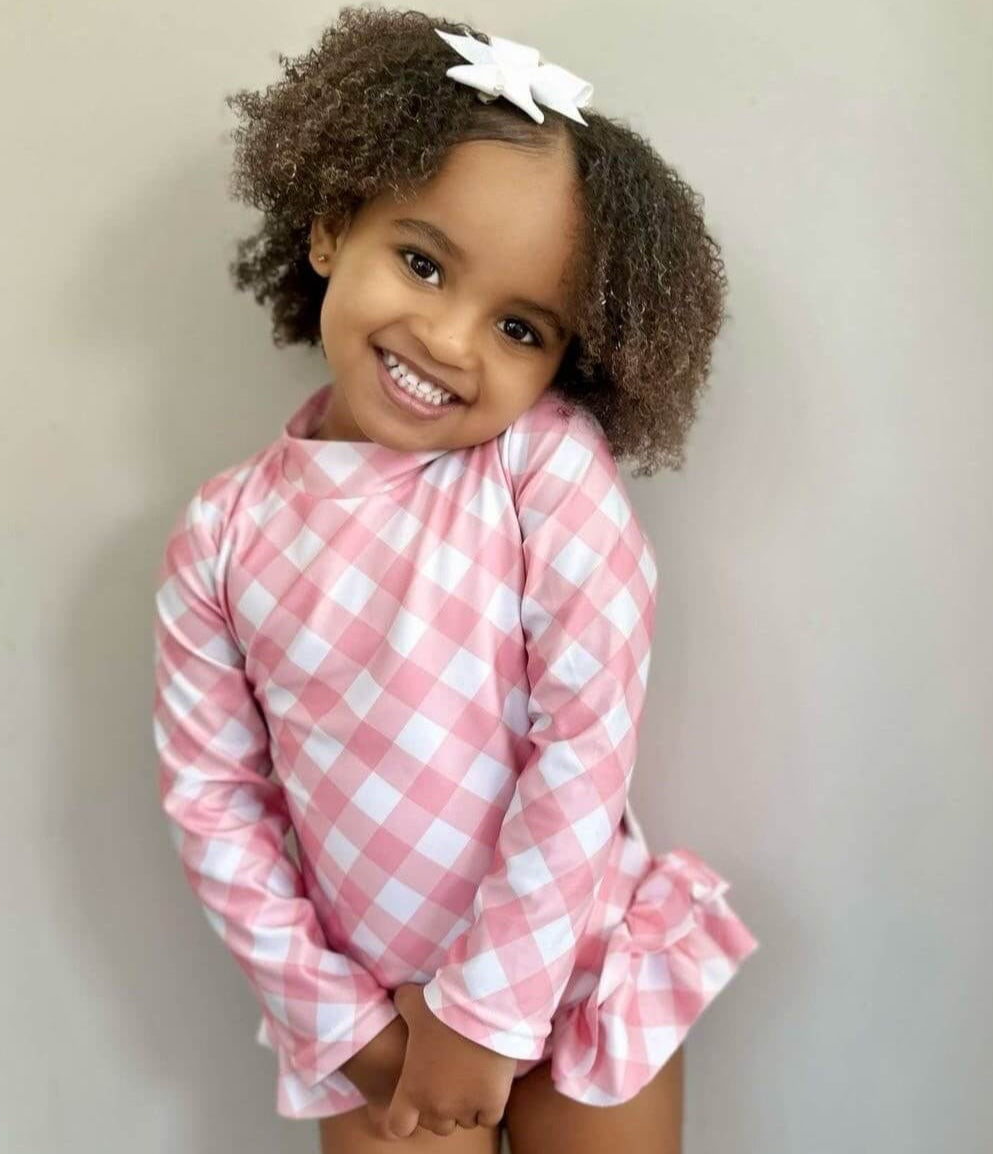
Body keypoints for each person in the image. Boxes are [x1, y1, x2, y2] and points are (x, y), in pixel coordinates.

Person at [151, 7, 759, 1152]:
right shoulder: (220, 535)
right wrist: (353, 1031)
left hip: (575, 976)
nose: (450, 337)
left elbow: (586, 733)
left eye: (521, 326)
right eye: (422, 262)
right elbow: (215, 802)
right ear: (331, 227)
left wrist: (484, 1013)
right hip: (372, 1012)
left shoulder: (542, 467)